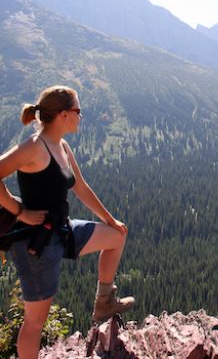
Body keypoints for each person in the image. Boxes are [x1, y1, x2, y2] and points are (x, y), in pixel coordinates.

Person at [0, 85, 134, 359]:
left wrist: (111, 220)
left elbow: (81, 188)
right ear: (63, 114)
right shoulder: (34, 148)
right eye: (78, 110)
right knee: (35, 322)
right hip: (36, 244)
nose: (81, 116)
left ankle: (104, 303)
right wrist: (18, 210)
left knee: (116, 237)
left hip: (62, 230)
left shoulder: (61, 145)